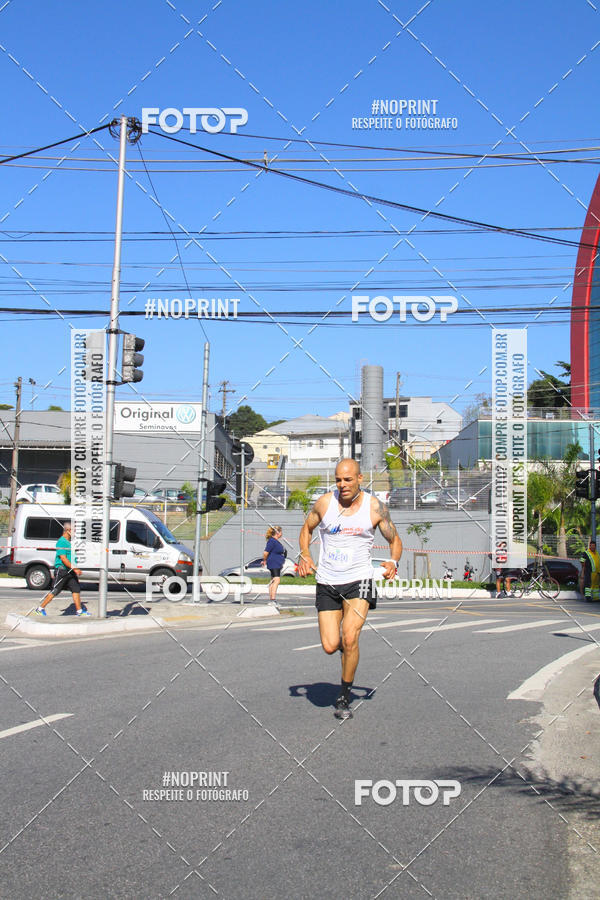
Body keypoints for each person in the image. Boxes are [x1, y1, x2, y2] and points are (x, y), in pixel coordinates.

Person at [298, 458, 402, 720]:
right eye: (338, 480)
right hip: (328, 581)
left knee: (350, 637)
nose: (342, 484)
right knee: (330, 645)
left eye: (347, 479)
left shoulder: (374, 507)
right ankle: (347, 651)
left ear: (359, 479)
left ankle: (344, 696)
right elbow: (306, 529)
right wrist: (305, 554)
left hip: (359, 580)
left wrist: (393, 561)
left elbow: (394, 539)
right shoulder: (325, 503)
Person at [35, 521, 90, 616]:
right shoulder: (61, 542)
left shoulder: (68, 543)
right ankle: (40, 609)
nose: (75, 533)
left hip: (70, 571)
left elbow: (69, 556)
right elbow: (63, 559)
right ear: (68, 530)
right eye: (74, 531)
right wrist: (75, 568)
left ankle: (79, 611)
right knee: (55, 591)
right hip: (62, 571)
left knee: (76, 589)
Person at [261, 525, 285, 603]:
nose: (282, 533)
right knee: (276, 580)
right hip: (274, 563)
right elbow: (265, 552)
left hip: (277, 563)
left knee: (273, 580)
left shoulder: (276, 541)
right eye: (281, 532)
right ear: (277, 532)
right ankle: (273, 600)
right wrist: (264, 560)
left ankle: (272, 599)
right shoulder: (272, 541)